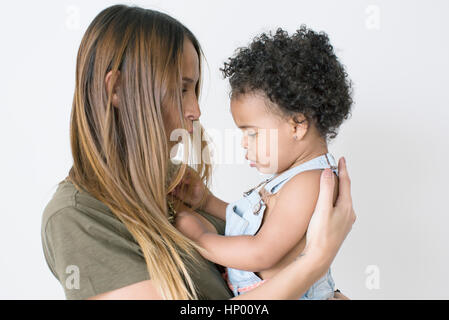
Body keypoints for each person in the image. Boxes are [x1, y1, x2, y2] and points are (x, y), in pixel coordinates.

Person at [41, 4, 356, 300]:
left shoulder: (174, 183)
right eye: (181, 90)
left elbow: (266, 263)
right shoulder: (77, 218)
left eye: (194, 90)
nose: (195, 110)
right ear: (117, 90)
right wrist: (315, 261)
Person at [173, 26, 353, 299]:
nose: (244, 143)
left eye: (252, 133)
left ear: (298, 124)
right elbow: (265, 227)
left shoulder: (311, 182)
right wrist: (208, 202)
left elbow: (262, 252)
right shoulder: (293, 178)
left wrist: (201, 240)